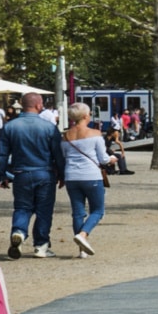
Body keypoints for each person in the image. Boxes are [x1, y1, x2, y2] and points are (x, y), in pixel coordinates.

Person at [0, 92, 66, 258]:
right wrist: (62, 174)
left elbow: (2, 154)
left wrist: (1, 174)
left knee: (22, 207)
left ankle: (18, 231)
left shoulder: (10, 126)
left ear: (21, 104)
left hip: (21, 173)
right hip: (45, 173)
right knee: (44, 210)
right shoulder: (49, 127)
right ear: (39, 105)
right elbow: (58, 154)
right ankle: (41, 245)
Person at [61, 104, 109, 257]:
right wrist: (113, 159)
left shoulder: (65, 136)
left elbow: (63, 156)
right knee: (98, 210)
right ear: (84, 116)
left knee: (78, 212)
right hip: (91, 175)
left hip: (71, 176)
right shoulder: (95, 133)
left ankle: (82, 250)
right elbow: (104, 159)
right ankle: (83, 235)